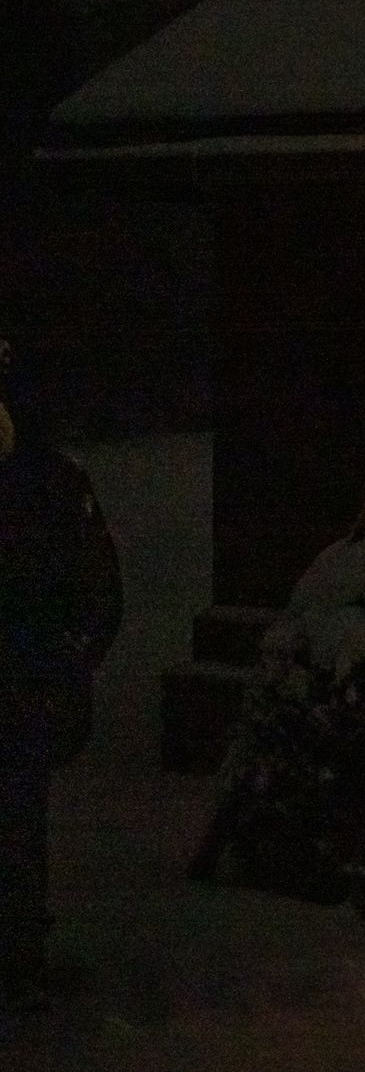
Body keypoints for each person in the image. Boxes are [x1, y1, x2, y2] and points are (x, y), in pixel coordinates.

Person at [0, 347, 122, 1013]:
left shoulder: (52, 487)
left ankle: (17, 952)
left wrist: (68, 658)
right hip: (31, 686)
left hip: (24, 689)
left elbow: (96, 592)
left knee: (18, 824)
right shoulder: (55, 484)